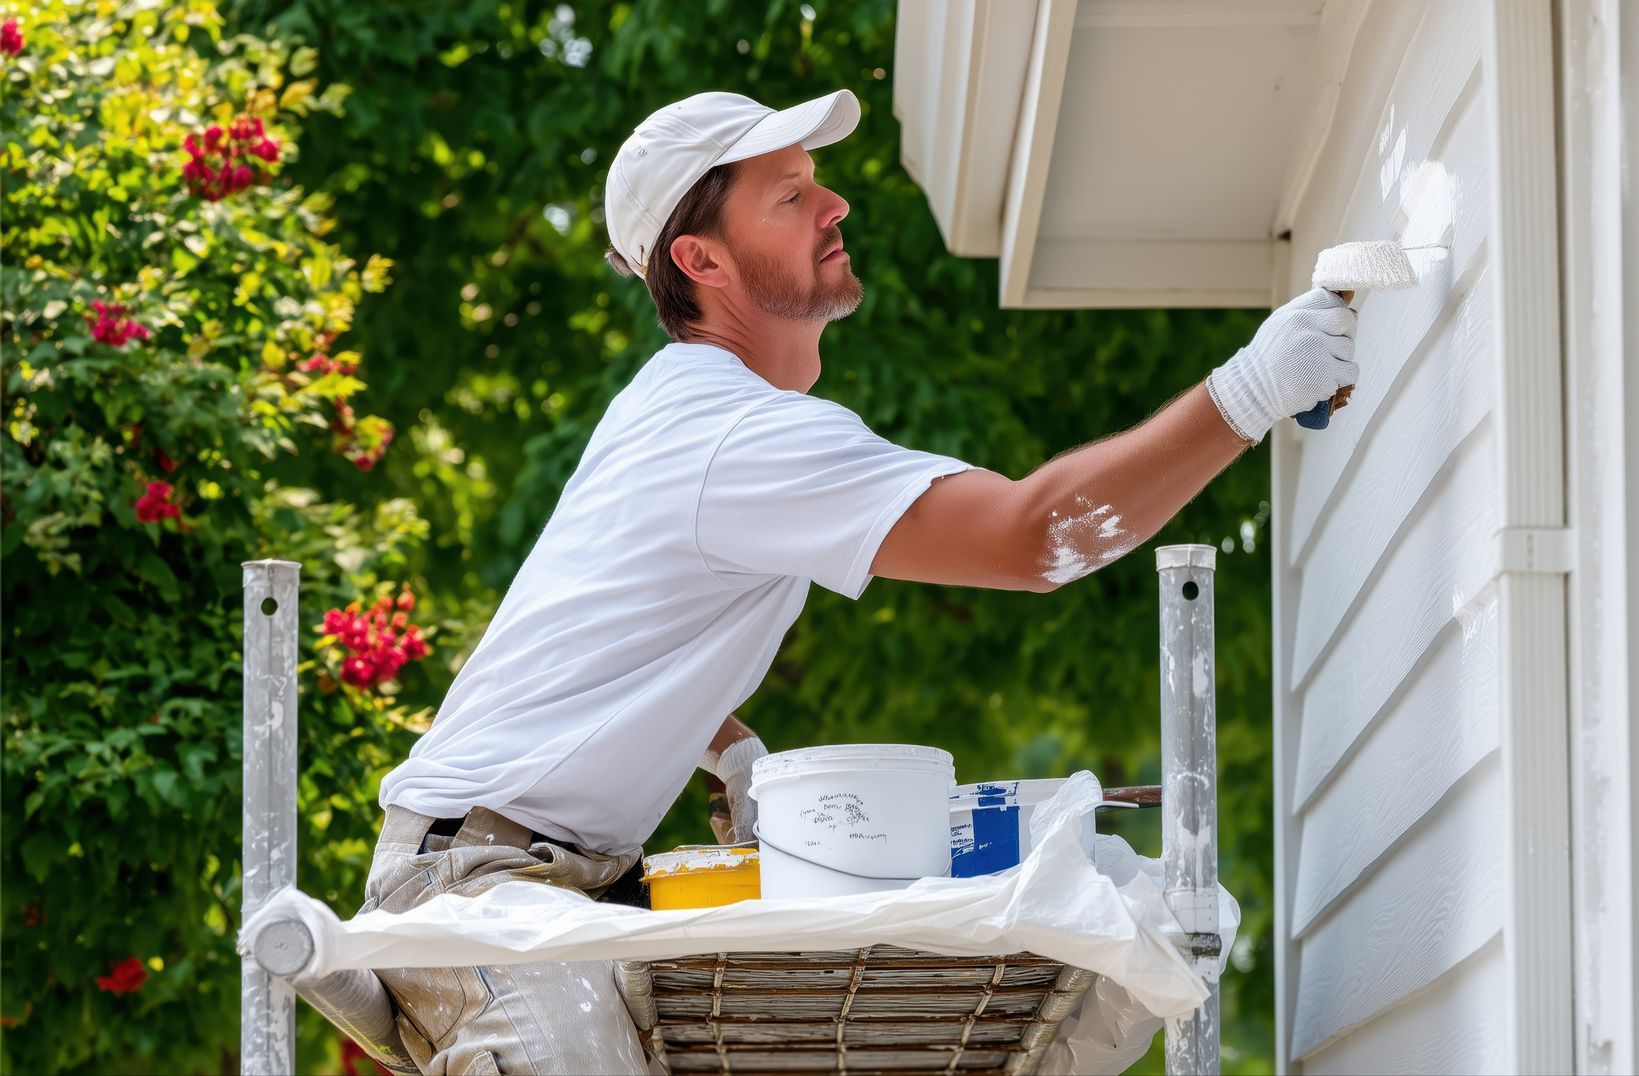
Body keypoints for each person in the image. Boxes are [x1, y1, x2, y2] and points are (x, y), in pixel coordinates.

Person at [360, 88, 1357, 1074]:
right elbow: (1033, 539)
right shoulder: (733, 431)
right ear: (700, 260)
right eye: (789, 196)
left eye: (817, 184)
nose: (835, 204)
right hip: (475, 887)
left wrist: (733, 747)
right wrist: (1249, 392)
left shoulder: (688, 411)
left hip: (548, 873)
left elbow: (602, 629)